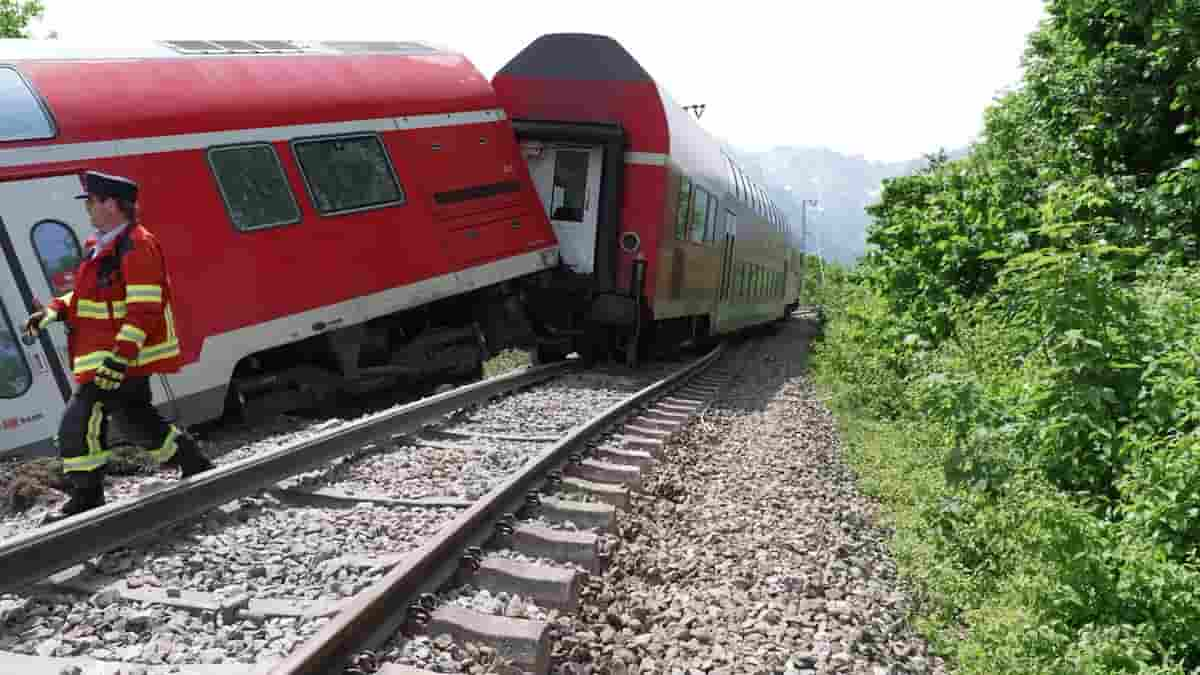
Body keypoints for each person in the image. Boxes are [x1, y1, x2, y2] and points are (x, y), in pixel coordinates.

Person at [24, 170, 213, 522]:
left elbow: (144, 309)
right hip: (110, 356)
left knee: (77, 423)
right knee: (136, 420)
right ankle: (195, 464)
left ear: (112, 204)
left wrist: (117, 360)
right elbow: (84, 297)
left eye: (92, 202)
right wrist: (52, 311)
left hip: (117, 358)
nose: (88, 210)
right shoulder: (99, 244)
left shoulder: (138, 245)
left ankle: (88, 499)